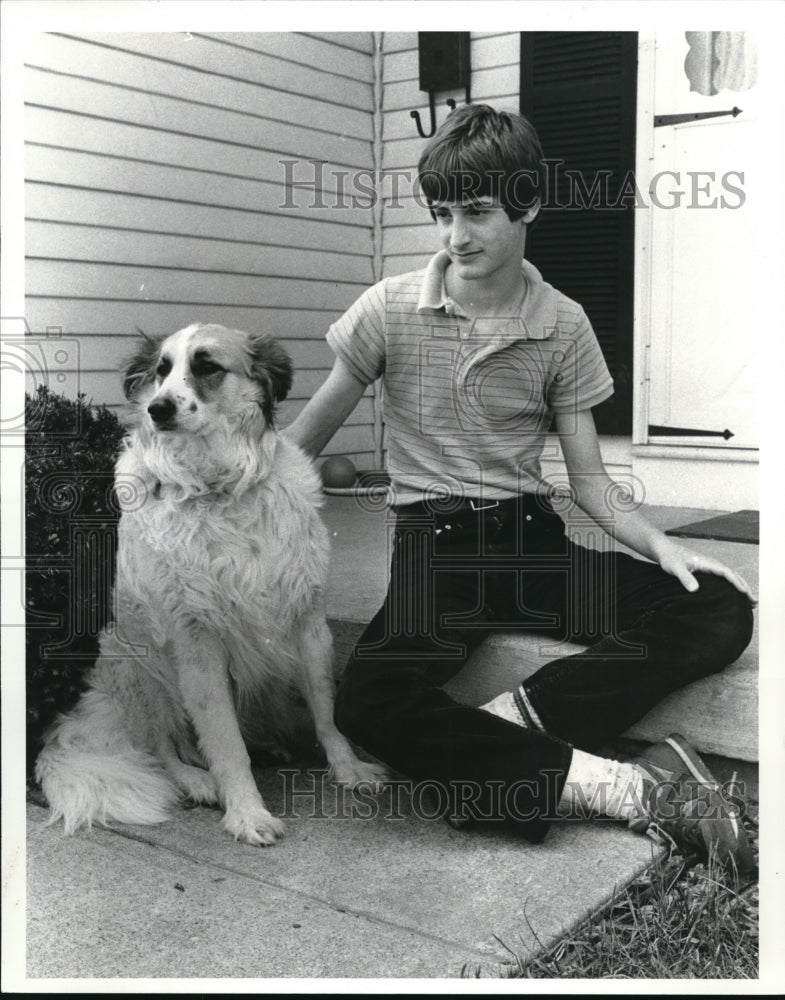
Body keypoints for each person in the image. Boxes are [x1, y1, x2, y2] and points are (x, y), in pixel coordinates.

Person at [285, 104, 757, 871]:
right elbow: (298, 448)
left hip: (532, 546)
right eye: (442, 213)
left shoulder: (563, 324)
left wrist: (665, 545)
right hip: (436, 558)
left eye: (475, 212)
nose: (454, 235)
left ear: (527, 203)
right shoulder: (388, 308)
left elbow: (593, 485)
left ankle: (512, 731)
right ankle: (620, 788)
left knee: (719, 605)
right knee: (369, 700)